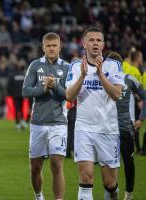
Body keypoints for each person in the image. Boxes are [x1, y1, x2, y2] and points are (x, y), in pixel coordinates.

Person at [65, 27, 124, 200]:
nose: (95, 43)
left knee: (110, 183)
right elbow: (69, 96)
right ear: (84, 44)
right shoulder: (76, 66)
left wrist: (100, 75)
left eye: (98, 40)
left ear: (103, 44)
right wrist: (82, 77)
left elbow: (116, 94)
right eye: (91, 40)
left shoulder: (113, 65)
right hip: (84, 128)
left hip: (108, 129)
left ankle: (112, 192)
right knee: (86, 177)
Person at [22, 32, 69, 200]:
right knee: (35, 168)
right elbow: (25, 91)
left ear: (59, 47)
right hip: (38, 123)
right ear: (43, 47)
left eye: (54, 45)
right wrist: (43, 89)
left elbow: (70, 95)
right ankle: (38, 195)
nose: (51, 48)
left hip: (59, 123)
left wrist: (55, 86)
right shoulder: (35, 65)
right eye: (48, 45)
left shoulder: (67, 67)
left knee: (57, 165)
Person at [106, 51, 146, 200]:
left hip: (124, 129)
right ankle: (113, 193)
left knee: (128, 163)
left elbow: (145, 96)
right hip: (106, 129)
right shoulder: (101, 79)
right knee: (108, 167)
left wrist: (141, 119)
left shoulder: (128, 79)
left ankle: (128, 194)